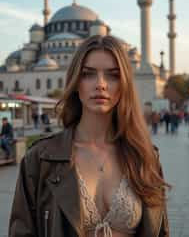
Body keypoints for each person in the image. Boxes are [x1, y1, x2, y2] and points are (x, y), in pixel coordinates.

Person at [9, 35, 171, 237]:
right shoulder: (41, 159)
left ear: (124, 85)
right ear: (76, 82)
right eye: (88, 74)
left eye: (112, 75)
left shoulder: (145, 157)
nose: (101, 84)